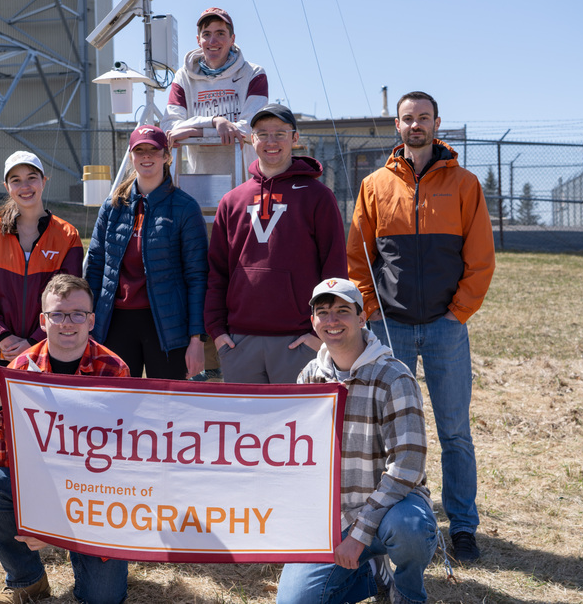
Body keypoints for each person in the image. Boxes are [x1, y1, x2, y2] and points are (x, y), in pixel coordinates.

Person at [347, 91, 495, 562]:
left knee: (454, 431)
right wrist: (370, 309)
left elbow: (481, 259)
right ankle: (394, 521)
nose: (416, 125)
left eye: (424, 118)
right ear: (397, 124)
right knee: (386, 431)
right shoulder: (374, 185)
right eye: (408, 118)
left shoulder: (465, 185)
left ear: (436, 123)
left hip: (445, 328)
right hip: (391, 328)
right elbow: (359, 259)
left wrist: (457, 314)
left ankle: (464, 526)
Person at [0, 151, 83, 559]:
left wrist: (36, 343)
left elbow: (68, 295)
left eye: (32, 178)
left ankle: (51, 524)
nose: (25, 187)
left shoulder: (66, 234)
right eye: (16, 180)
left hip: (47, 353)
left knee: (48, 434)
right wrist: (4, 336)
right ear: (6, 187)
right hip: (1, 350)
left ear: (44, 181)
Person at [0, 274, 130, 604]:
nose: (67, 323)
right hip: (39, 483)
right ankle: (27, 580)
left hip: (95, 496)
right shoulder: (20, 369)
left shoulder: (114, 371)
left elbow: (120, 463)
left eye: (77, 314)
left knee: (103, 598)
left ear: (91, 320)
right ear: (43, 321)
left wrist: (55, 523)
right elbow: (2, 459)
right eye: (57, 314)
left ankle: (86, 558)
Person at [277, 278, 437, 604]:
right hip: (334, 517)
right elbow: (299, 456)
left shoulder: (394, 376)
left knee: (411, 530)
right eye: (323, 312)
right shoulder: (309, 378)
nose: (332, 320)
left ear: (362, 318)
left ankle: (406, 594)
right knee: (294, 602)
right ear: (313, 323)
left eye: (342, 311)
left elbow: (407, 465)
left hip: (392, 510)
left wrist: (359, 535)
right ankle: (370, 572)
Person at [205, 103, 348, 384]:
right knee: (245, 426)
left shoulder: (317, 196)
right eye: (263, 134)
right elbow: (217, 271)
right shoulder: (232, 200)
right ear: (251, 139)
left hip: (297, 341)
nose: (271, 142)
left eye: (280, 133)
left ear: (295, 138)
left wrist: (317, 334)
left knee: (298, 426)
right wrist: (218, 332)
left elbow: (334, 270)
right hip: (239, 342)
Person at [84, 125, 208, 380]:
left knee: (167, 407)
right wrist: (87, 322)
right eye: (139, 150)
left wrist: (196, 339)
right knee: (116, 405)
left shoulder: (185, 208)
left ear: (166, 156)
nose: (147, 156)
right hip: (115, 322)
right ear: (131, 156)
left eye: (154, 150)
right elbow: (95, 267)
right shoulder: (113, 206)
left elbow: (197, 277)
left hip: (166, 326)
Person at [160, 6, 268, 178]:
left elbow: (252, 128)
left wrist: (196, 132)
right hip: (200, 179)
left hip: (246, 180)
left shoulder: (253, 74)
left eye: (220, 33)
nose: (212, 41)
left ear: (232, 39)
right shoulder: (184, 76)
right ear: (198, 40)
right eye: (207, 34)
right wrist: (215, 121)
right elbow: (169, 126)